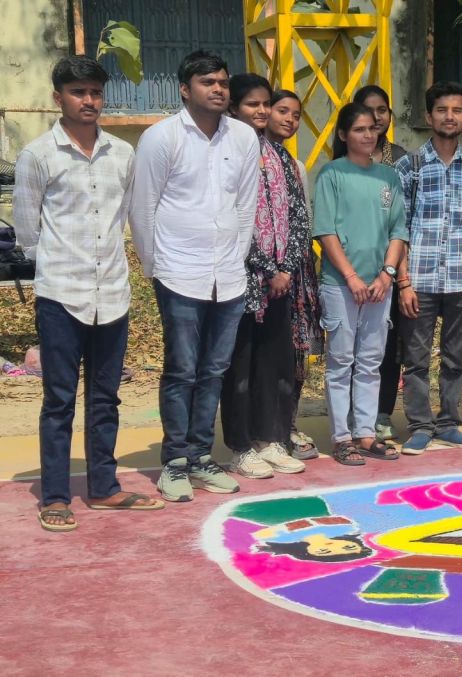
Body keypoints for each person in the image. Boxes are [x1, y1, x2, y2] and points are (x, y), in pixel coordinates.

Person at [14, 56, 164, 531]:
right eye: (78, 92)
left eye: (95, 92)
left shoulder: (122, 154)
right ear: (58, 97)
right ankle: (56, 496)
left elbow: (127, 217)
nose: (89, 100)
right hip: (61, 295)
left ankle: (104, 487)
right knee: (59, 400)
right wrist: (58, 267)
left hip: (113, 294)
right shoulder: (38, 154)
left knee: (105, 398)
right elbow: (27, 231)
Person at [130, 50, 260, 502]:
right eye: (208, 82)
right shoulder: (160, 138)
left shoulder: (243, 137)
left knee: (214, 371)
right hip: (178, 272)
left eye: (222, 81)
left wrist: (236, 259)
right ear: (185, 89)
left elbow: (246, 204)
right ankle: (174, 462)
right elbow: (143, 208)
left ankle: (202, 457)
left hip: (229, 275)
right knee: (182, 370)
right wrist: (155, 267)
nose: (218, 89)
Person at [394, 81, 462, 454]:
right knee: (416, 360)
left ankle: (449, 423)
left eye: (456, 111)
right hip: (419, 279)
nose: (449, 117)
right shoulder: (410, 165)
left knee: (456, 358)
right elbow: (399, 227)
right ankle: (420, 426)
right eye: (441, 110)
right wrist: (404, 281)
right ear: (429, 115)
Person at [219, 74, 310, 479]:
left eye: (264, 104)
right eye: (252, 104)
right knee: (240, 366)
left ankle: (269, 439)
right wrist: (268, 268)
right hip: (242, 279)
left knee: (274, 363)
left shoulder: (281, 157)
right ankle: (241, 446)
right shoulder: (227, 154)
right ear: (234, 108)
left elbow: (298, 216)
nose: (261, 111)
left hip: (280, 283)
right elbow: (231, 219)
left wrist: (286, 268)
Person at [313, 102, 408, 466]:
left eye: (372, 128)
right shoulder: (332, 174)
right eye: (359, 129)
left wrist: (387, 274)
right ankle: (341, 437)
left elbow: (399, 231)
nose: (369, 135)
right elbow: (326, 231)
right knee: (341, 362)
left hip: (380, 285)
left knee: (370, 362)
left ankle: (366, 433)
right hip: (341, 285)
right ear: (343, 134)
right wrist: (351, 277)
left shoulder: (389, 177)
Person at [263, 88, 322, 461]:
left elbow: (303, 222)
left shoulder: (296, 165)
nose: (289, 119)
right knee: (268, 356)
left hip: (298, 274)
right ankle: (265, 431)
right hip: (266, 273)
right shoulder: (252, 158)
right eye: (282, 110)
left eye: (296, 114)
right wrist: (273, 267)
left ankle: (288, 424)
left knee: (297, 355)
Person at [351, 84, 408, 442]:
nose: (376, 118)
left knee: (388, 345)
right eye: (369, 111)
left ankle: (382, 412)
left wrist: (396, 271)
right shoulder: (346, 159)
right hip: (354, 268)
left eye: (382, 110)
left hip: (392, 266)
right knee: (353, 346)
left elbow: (404, 220)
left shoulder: (401, 159)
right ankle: (354, 414)